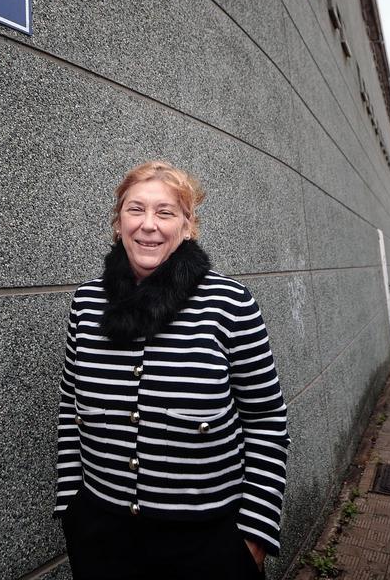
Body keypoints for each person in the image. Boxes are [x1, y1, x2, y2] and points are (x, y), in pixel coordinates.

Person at [54, 161, 290, 579]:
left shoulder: (229, 303)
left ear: (187, 226)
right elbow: (70, 410)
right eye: (135, 210)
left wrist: (253, 532)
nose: (149, 225)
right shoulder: (86, 304)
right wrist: (71, 504)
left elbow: (266, 419)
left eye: (165, 212)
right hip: (102, 538)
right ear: (117, 222)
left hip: (206, 543)